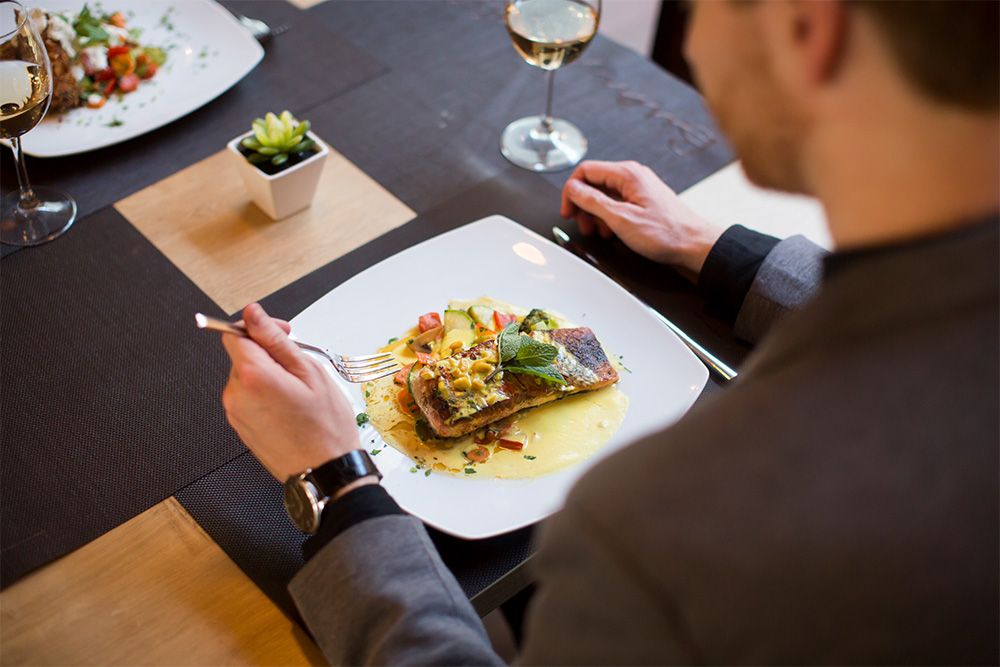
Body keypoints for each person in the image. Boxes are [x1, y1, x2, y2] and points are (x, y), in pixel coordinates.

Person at [220, 0, 999, 663]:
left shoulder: (646, 530)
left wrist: (339, 484)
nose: (686, 38)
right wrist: (717, 255)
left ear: (811, 26)